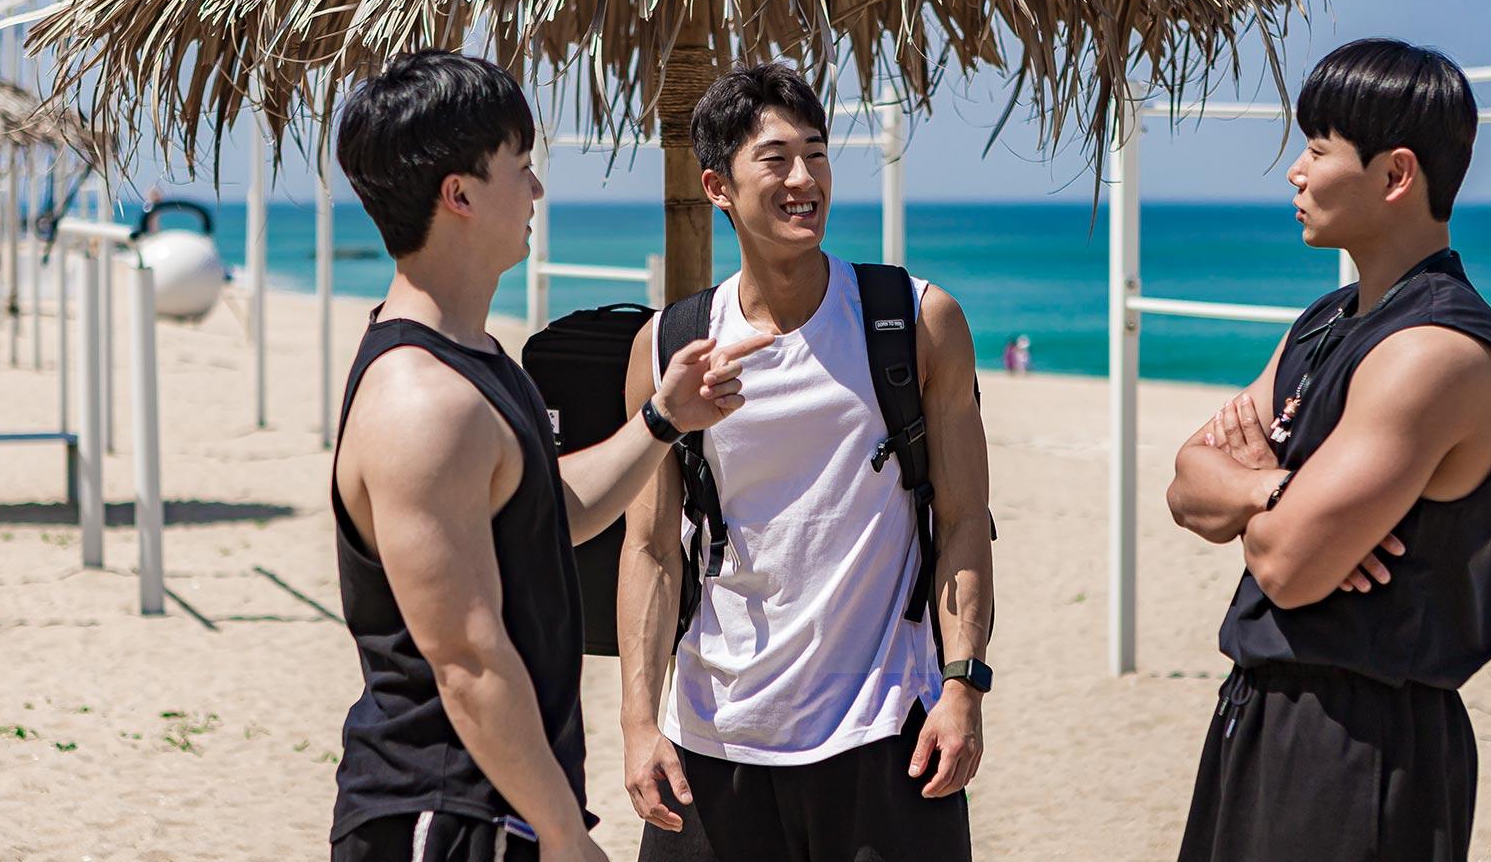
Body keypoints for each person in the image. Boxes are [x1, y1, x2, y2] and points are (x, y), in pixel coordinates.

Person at [327, 51, 771, 862]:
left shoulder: (474, 359)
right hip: (442, 815)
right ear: (457, 195)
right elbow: (465, 658)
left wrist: (662, 419)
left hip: (495, 808)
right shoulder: (420, 400)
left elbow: (544, 514)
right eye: (520, 169)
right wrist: (566, 834)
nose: (535, 192)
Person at [617, 63, 995, 862]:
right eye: (777, 158)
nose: (805, 179)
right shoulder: (668, 346)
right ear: (718, 187)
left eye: (817, 155)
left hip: (887, 733)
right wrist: (637, 724)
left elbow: (963, 519)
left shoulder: (915, 323)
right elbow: (649, 550)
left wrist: (962, 686)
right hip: (713, 742)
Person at [1165, 38, 1491, 862]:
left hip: (1363, 738)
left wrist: (1264, 500)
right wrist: (1276, 492)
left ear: (1395, 175)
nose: (1295, 171)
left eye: (1318, 149)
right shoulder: (1326, 320)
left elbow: (1290, 567)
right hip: (1261, 710)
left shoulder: (1434, 350)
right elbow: (1187, 486)